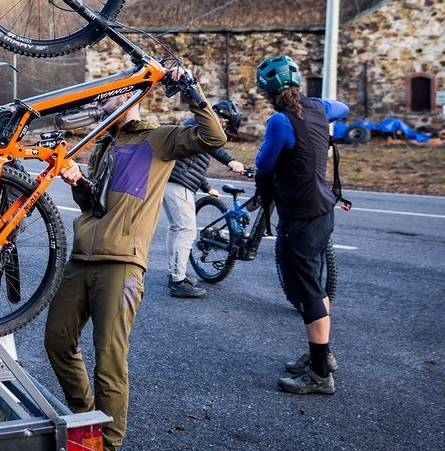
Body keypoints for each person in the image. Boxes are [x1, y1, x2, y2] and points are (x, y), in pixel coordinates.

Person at [45, 70, 227, 451]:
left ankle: (107, 444)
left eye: (107, 97)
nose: (100, 103)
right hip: (82, 258)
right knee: (57, 340)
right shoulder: (103, 145)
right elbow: (95, 205)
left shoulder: (157, 140)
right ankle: (86, 416)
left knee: (109, 357)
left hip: (122, 263)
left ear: (130, 97)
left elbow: (214, 137)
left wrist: (190, 89)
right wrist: (79, 182)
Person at [253, 54, 349, 396]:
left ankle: (321, 375)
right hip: (325, 209)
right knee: (317, 286)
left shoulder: (280, 121)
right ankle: (321, 354)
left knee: (307, 292)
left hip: (301, 216)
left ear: (266, 91)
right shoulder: (318, 109)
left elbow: (264, 164)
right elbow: (344, 107)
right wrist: (320, 104)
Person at [162, 99, 247, 298]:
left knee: (176, 228)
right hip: (178, 183)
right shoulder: (201, 123)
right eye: (225, 121)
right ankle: (177, 281)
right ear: (220, 115)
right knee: (187, 230)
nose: (224, 126)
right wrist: (231, 160)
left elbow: (194, 160)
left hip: (173, 181)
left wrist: (207, 188)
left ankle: (175, 273)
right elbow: (214, 148)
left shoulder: (197, 125)